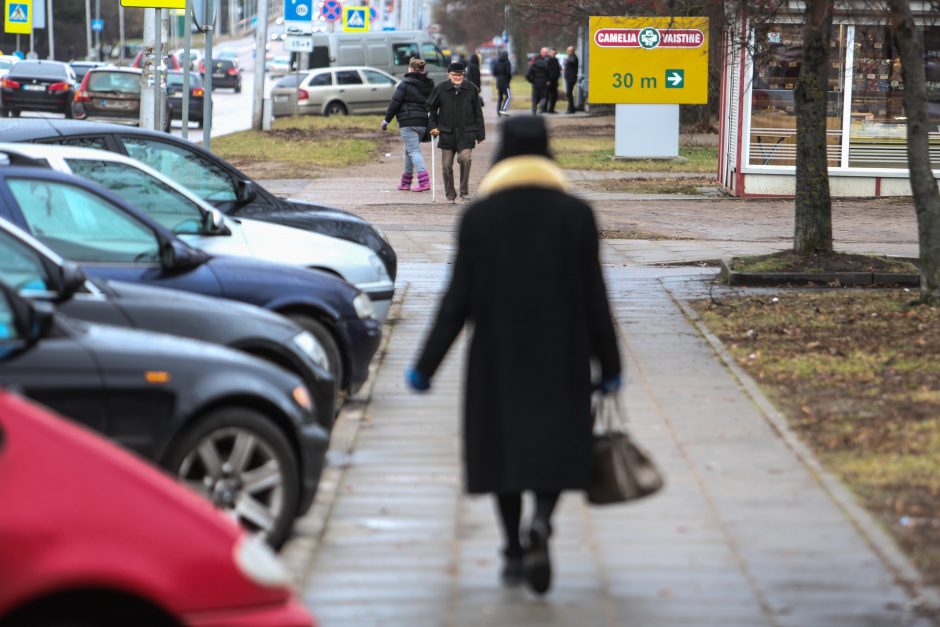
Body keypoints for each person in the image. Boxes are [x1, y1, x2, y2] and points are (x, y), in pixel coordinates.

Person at [405, 116, 622, 596]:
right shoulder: (576, 215)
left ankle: (510, 552)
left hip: (496, 357)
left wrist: (426, 364)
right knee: (555, 445)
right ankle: (542, 521)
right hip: (562, 355)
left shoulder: (480, 218)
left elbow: (457, 299)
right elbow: (594, 297)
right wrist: (611, 367)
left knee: (502, 450)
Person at [427, 61, 485, 204]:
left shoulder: (471, 89)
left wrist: (480, 133)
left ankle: (464, 191)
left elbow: (478, 112)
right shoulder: (441, 89)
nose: (458, 77)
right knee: (446, 166)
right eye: (455, 75)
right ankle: (450, 195)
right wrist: (433, 126)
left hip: (467, 132)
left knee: (465, 159)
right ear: (449, 75)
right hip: (447, 133)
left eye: (461, 74)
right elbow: (431, 108)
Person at [382, 57, 435, 192]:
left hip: (408, 122)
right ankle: (406, 182)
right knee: (409, 151)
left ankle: (424, 181)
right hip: (424, 123)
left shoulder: (405, 84)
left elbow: (395, 103)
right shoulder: (429, 84)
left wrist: (387, 120)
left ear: (410, 69)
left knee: (413, 151)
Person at [525, 48, 551, 115]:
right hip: (544, 83)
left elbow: (527, 75)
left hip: (535, 83)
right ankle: (541, 107)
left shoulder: (533, 65)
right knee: (544, 97)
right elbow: (549, 74)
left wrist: (531, 81)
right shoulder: (546, 65)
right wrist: (548, 80)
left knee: (535, 97)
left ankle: (534, 110)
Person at [492, 50, 512, 117]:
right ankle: (503, 109)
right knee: (508, 96)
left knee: (500, 97)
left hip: (498, 82)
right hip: (505, 82)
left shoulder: (497, 62)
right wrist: (509, 79)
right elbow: (508, 73)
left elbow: (494, 72)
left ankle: (498, 111)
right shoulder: (507, 63)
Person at [563, 46, 579, 114]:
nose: (567, 52)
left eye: (568, 51)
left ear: (572, 51)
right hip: (569, 78)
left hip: (571, 78)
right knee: (569, 94)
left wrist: (566, 61)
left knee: (569, 93)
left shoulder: (573, 57)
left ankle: (571, 109)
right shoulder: (570, 57)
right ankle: (571, 108)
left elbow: (572, 62)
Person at [545, 47, 561, 114]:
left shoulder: (556, 60)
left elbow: (557, 70)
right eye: (552, 53)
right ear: (549, 53)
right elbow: (545, 71)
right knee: (547, 95)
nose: (553, 54)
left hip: (555, 80)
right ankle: (544, 108)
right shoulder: (547, 60)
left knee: (554, 96)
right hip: (549, 81)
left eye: (554, 53)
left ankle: (551, 109)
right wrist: (547, 80)